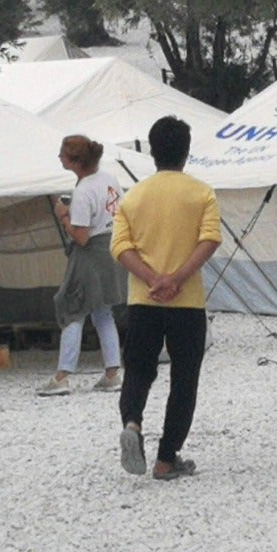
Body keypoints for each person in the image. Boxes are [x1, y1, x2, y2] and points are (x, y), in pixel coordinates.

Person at [111, 116, 221, 480]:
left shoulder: (134, 196)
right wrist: (177, 278)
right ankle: (166, 458)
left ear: (152, 150)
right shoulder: (202, 193)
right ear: (186, 152)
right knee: (184, 378)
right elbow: (209, 240)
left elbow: (120, 247)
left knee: (139, 370)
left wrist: (152, 279)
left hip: (143, 300)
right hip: (186, 302)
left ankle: (132, 423)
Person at [39, 135, 126, 396]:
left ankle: (62, 376)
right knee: (102, 311)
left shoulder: (83, 191)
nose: (59, 158)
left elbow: (81, 236)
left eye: (63, 154)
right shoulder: (109, 178)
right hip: (111, 247)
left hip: (90, 255)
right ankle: (112, 372)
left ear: (75, 161)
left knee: (72, 307)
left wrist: (64, 215)